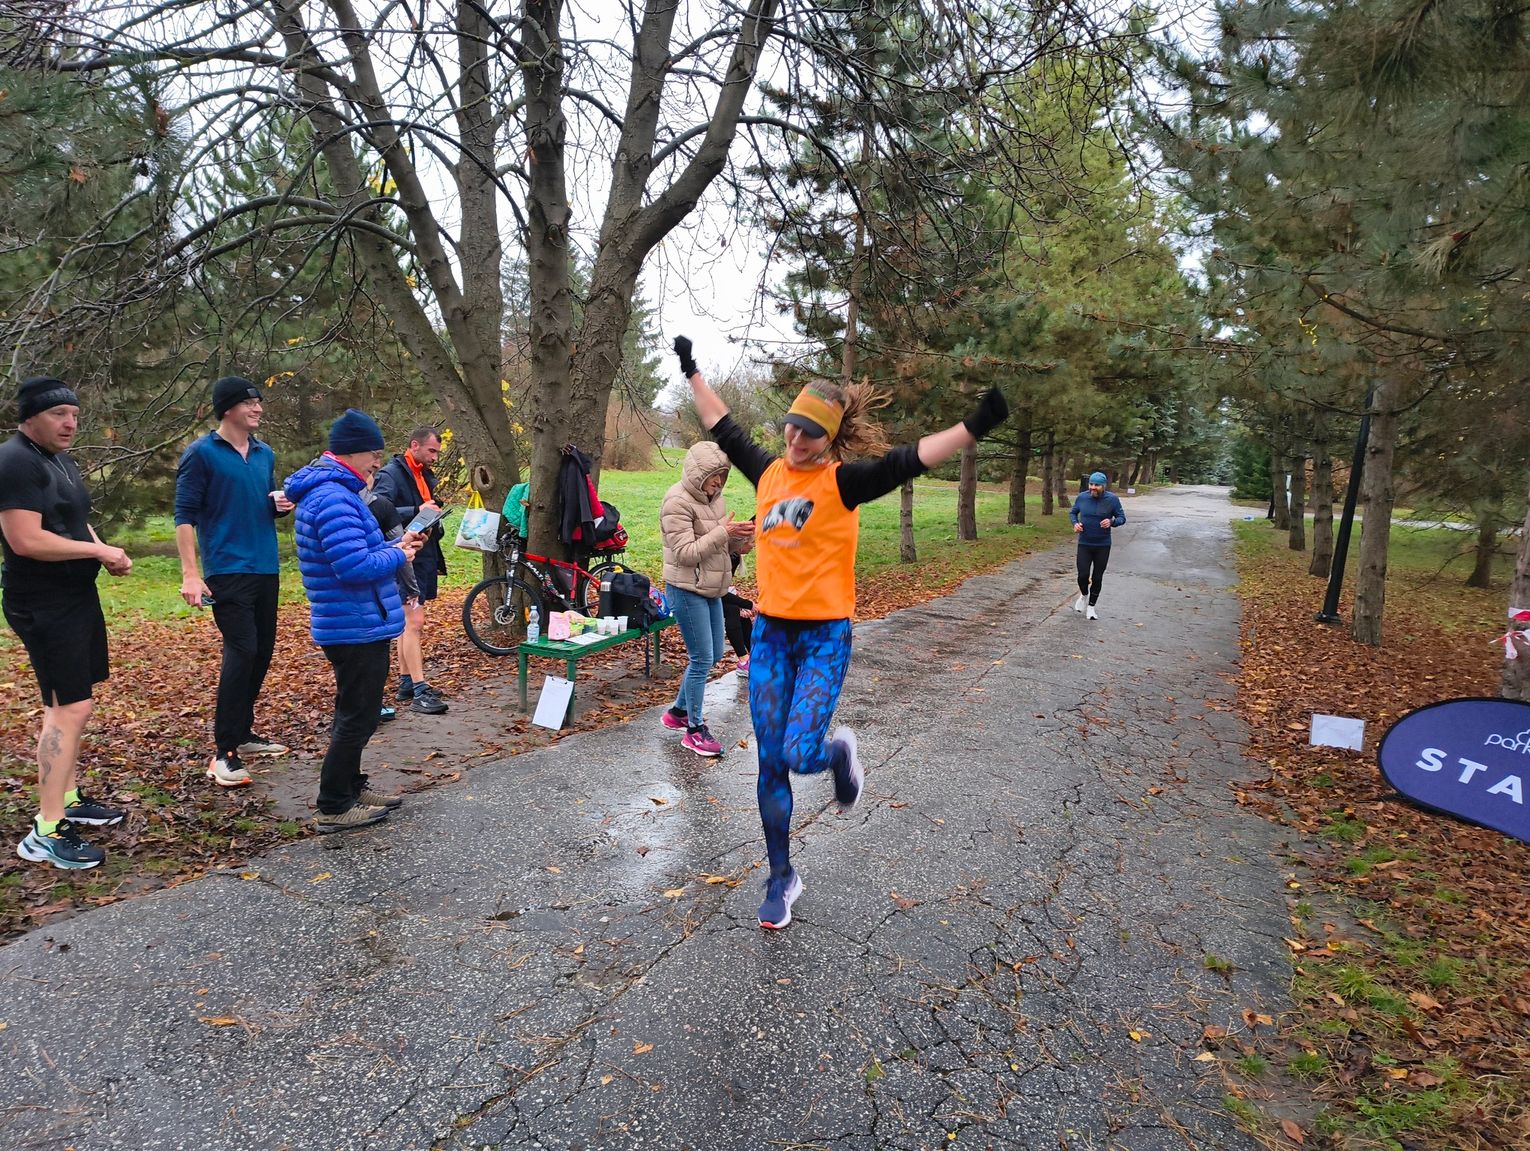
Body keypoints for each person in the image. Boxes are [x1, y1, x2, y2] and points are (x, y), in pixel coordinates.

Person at [673, 336, 1009, 929]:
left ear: (829, 439)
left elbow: (910, 459)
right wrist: (692, 370)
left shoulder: (842, 484)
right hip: (771, 635)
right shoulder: (768, 473)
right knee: (770, 763)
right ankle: (781, 876)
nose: (797, 440)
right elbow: (721, 424)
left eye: (811, 433)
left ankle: (837, 755)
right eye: (793, 426)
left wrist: (973, 427)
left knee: (800, 752)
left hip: (824, 638)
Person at [1, 377, 132, 869]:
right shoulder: (15, 461)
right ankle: (46, 829)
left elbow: (73, 520)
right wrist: (96, 552)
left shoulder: (59, 459)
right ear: (30, 417)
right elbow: (26, 540)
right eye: (59, 414)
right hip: (43, 603)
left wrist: (102, 550)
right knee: (68, 708)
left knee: (70, 704)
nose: (70, 423)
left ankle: (68, 798)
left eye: (74, 414)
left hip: (75, 597)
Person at [285, 409, 422, 833]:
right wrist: (398, 555)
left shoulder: (338, 493)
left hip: (358, 620)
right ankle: (334, 804)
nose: (377, 463)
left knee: (358, 711)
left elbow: (359, 550)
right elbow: (352, 566)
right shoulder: (332, 498)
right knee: (357, 716)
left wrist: (398, 543)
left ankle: (351, 786)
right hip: (353, 623)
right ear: (350, 452)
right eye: (373, 454)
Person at [175, 375, 294, 789]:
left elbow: (262, 504)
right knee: (242, 651)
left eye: (259, 402)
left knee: (261, 652)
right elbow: (184, 516)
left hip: (266, 567)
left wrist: (279, 505)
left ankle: (242, 733)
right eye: (249, 403)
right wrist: (191, 574)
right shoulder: (201, 454)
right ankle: (223, 752)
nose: (258, 408)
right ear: (227, 408)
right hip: (226, 570)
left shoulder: (264, 453)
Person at [658, 440, 755, 756]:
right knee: (701, 658)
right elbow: (686, 553)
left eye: (722, 476)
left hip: (713, 588)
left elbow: (715, 546)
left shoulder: (716, 501)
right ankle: (694, 729)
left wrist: (737, 543)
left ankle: (677, 712)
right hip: (686, 590)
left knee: (712, 655)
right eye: (713, 476)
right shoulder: (676, 502)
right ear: (697, 473)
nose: (718, 483)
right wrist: (724, 533)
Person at [372, 426, 449, 715]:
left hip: (423, 553)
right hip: (403, 555)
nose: (435, 457)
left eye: (437, 452)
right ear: (414, 445)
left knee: (409, 622)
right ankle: (419, 688)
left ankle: (406, 681)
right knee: (413, 622)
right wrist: (417, 510)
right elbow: (378, 509)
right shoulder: (391, 474)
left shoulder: (425, 474)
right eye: (431, 451)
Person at [1070, 470, 1126, 621]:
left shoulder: (1112, 499)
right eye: (1091, 484)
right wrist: (1075, 524)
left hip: (1102, 545)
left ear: (1104, 486)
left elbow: (1122, 518)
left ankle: (1091, 607)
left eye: (1097, 485)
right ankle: (1084, 595)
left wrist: (1112, 522)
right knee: (1082, 575)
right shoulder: (1082, 497)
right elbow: (1073, 513)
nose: (1093, 487)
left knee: (1097, 577)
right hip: (1085, 543)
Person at [722, 551, 755, 676]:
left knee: (741, 614)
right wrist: (747, 604)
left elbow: (725, 587)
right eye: (751, 542)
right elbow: (718, 592)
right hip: (699, 596)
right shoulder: (727, 556)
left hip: (716, 594)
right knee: (733, 610)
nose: (752, 546)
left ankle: (755, 655)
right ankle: (743, 660)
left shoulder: (734, 556)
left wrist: (743, 606)